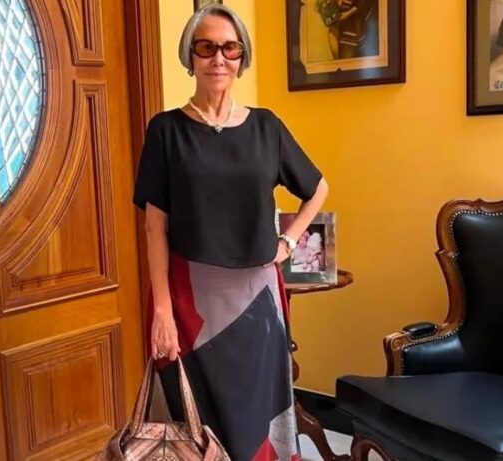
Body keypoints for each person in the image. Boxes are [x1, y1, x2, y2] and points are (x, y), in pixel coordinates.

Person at [132, 5, 329, 460]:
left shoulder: (266, 127)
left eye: (230, 48)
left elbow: (317, 188)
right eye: (206, 47)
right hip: (189, 302)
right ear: (190, 56)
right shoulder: (165, 130)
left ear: (242, 57)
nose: (218, 58)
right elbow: (154, 226)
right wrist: (161, 308)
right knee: (194, 426)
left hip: (258, 301)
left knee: (255, 424)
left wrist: (289, 242)